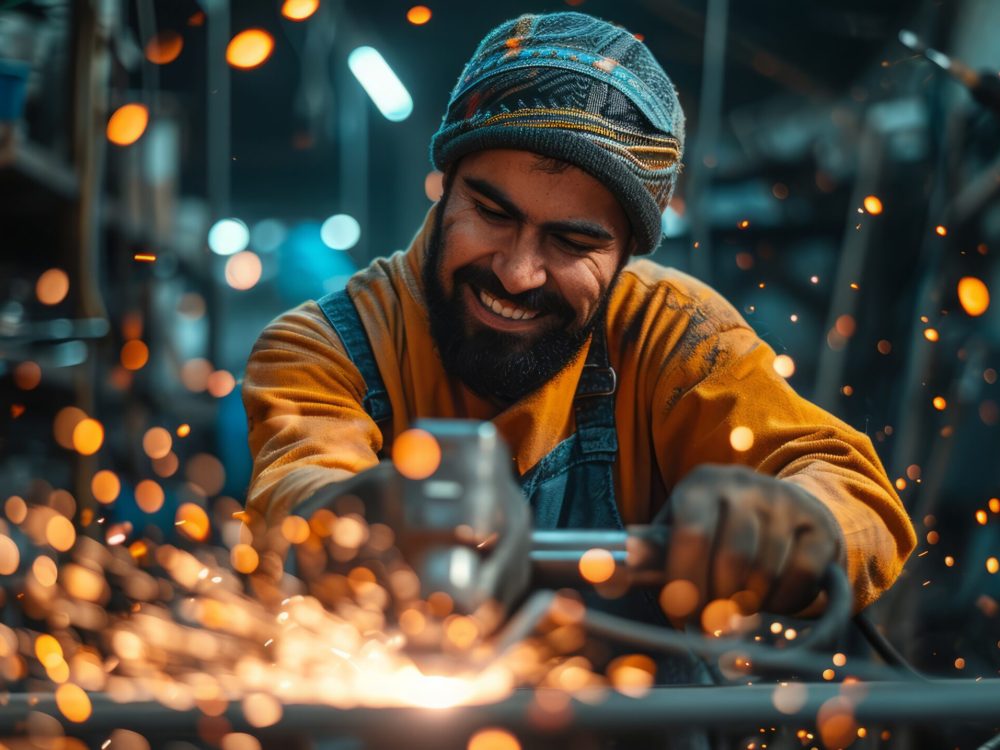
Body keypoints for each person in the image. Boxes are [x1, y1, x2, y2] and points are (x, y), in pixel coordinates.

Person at [242, 12, 915, 628]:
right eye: (493, 213)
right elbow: (296, 490)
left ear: (624, 255)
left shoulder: (674, 336)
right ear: (445, 189)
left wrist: (800, 523)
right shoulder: (325, 347)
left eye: (573, 242)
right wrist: (358, 515)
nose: (517, 272)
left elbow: (855, 492)